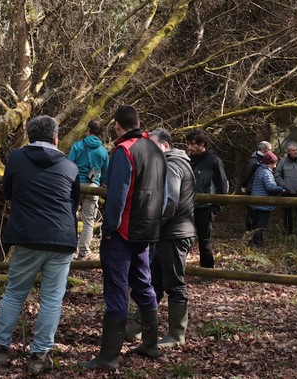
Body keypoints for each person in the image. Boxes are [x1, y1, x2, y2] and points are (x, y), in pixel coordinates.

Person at [0, 115, 79, 376]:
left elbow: (8, 191)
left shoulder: (17, 158)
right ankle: (39, 355)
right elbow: (73, 203)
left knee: (15, 292)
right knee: (52, 298)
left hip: (28, 234)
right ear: (56, 137)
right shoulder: (70, 166)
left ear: (29, 135)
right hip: (61, 236)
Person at [80, 105, 166, 371]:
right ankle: (150, 344)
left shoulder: (124, 151)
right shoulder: (156, 150)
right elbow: (163, 195)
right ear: (139, 121)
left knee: (116, 290)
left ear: (117, 125)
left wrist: (109, 229)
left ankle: (108, 357)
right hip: (147, 231)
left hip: (123, 233)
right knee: (143, 283)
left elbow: (117, 196)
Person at [147, 128, 196, 348]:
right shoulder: (174, 162)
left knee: (174, 283)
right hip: (169, 232)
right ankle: (141, 325)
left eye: (153, 145)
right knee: (154, 280)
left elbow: (170, 201)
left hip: (173, 233)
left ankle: (177, 334)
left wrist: (155, 223)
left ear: (165, 145)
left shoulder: (172, 164)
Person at [185, 129, 228, 268]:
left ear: (202, 144)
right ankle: (179, 270)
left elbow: (222, 186)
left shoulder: (214, 161)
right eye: (189, 144)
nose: (190, 147)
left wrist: (216, 208)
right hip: (188, 207)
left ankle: (207, 271)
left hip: (206, 208)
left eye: (192, 144)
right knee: (184, 239)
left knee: (205, 241)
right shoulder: (188, 160)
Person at [68, 119, 108, 260]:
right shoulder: (103, 151)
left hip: (76, 185)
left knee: (71, 216)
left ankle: (72, 249)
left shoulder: (77, 146)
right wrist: (97, 182)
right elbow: (106, 173)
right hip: (93, 187)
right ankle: (84, 252)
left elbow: (69, 164)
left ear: (88, 129)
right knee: (89, 221)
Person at [249, 152, 284, 247]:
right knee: (261, 225)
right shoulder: (266, 173)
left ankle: (255, 241)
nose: (275, 166)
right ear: (271, 163)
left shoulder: (260, 170)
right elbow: (270, 187)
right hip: (263, 203)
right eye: (275, 163)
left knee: (256, 224)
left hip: (256, 202)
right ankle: (257, 243)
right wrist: (281, 189)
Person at [241, 141, 272, 232]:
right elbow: (247, 174)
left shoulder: (262, 159)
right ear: (264, 150)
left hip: (260, 190)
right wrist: (244, 185)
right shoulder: (254, 161)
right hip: (252, 189)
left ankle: (255, 233)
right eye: (269, 150)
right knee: (252, 213)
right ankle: (249, 233)